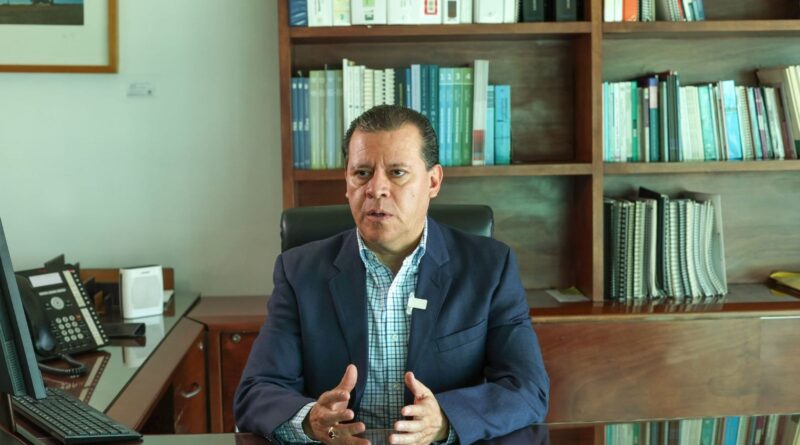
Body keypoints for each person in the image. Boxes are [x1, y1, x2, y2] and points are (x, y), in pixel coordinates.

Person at [234, 105, 549, 445]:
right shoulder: (300, 271)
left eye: (397, 172)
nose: (376, 189)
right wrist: (311, 421)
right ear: (347, 182)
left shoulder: (489, 267)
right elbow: (256, 392)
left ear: (433, 181)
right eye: (362, 173)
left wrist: (444, 420)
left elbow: (527, 389)